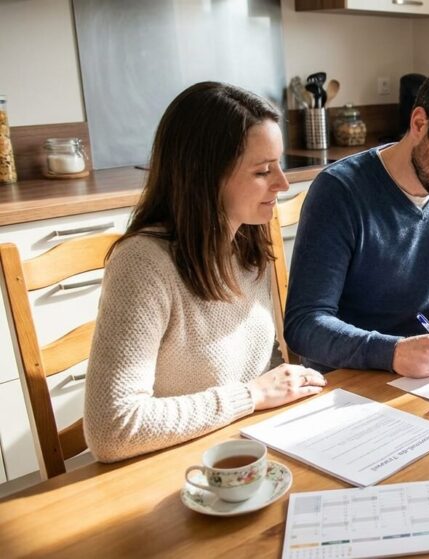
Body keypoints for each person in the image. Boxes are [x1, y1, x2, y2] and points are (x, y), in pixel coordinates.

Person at [84, 82, 326, 463]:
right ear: (206, 177)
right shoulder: (142, 265)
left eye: (279, 165)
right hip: (171, 468)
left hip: (241, 450)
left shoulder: (247, 244)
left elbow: (268, 368)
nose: (282, 183)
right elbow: (112, 429)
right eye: (263, 171)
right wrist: (252, 396)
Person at [284, 63, 429, 378]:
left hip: (425, 377)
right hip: (345, 384)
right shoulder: (339, 191)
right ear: (420, 123)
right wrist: (392, 352)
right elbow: (305, 324)